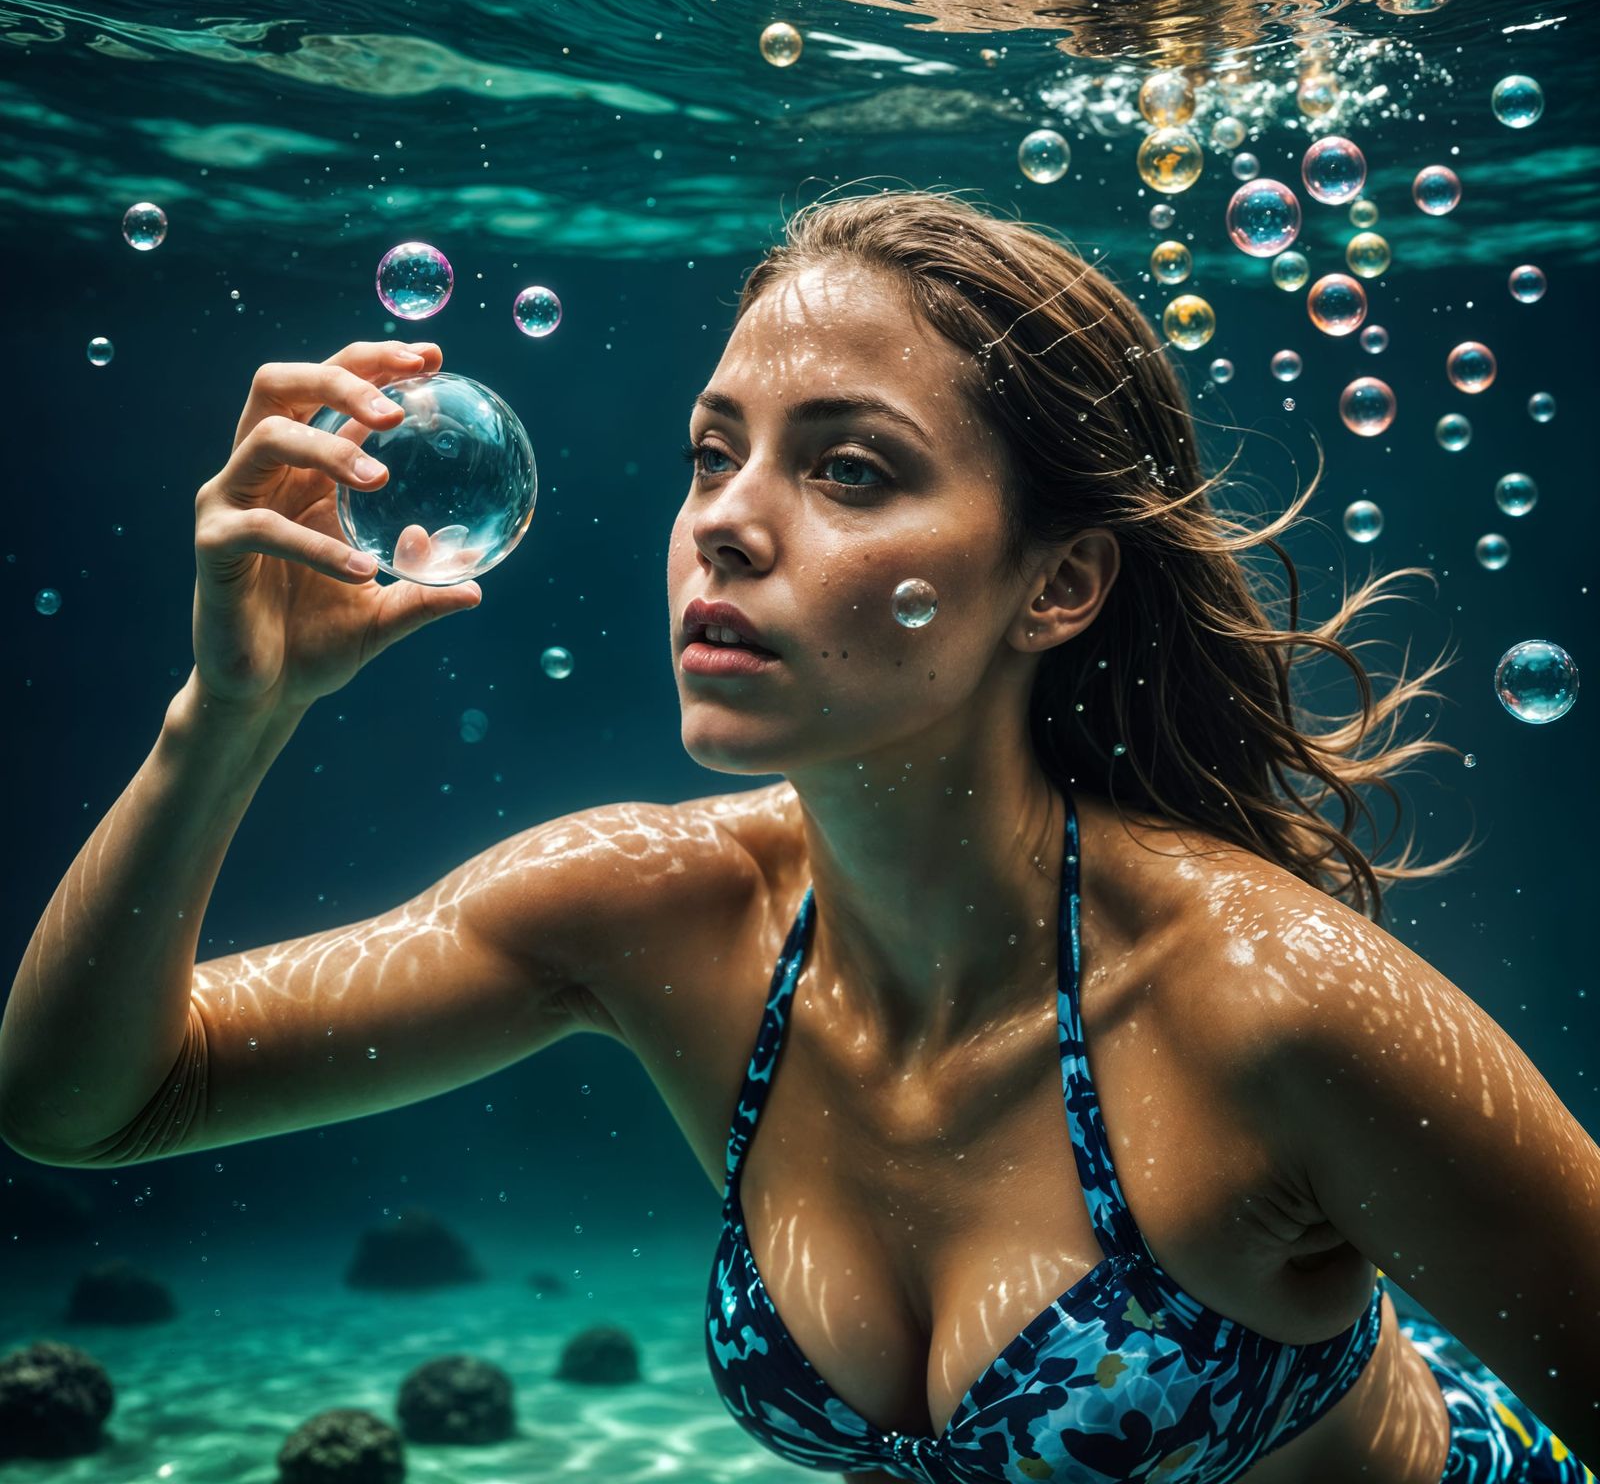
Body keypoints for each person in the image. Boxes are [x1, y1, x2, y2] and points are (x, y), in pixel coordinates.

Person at [0, 189, 1594, 1483]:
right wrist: (230, 714)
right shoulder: (650, 908)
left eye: (847, 469)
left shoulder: (1269, 1000)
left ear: (1058, 584)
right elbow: (95, 1105)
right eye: (714, 452)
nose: (726, 520)